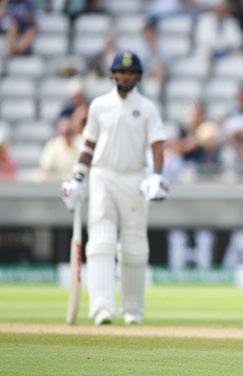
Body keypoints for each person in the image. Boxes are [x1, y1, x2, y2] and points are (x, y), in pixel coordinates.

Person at [59, 51, 168, 326]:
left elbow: (157, 143)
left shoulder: (147, 107)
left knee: (134, 247)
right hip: (103, 176)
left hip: (134, 178)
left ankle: (133, 311)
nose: (126, 76)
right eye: (121, 71)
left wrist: (156, 175)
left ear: (138, 76)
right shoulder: (99, 106)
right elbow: (88, 146)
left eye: (131, 72)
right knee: (101, 242)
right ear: (113, 74)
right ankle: (102, 309)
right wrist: (77, 179)